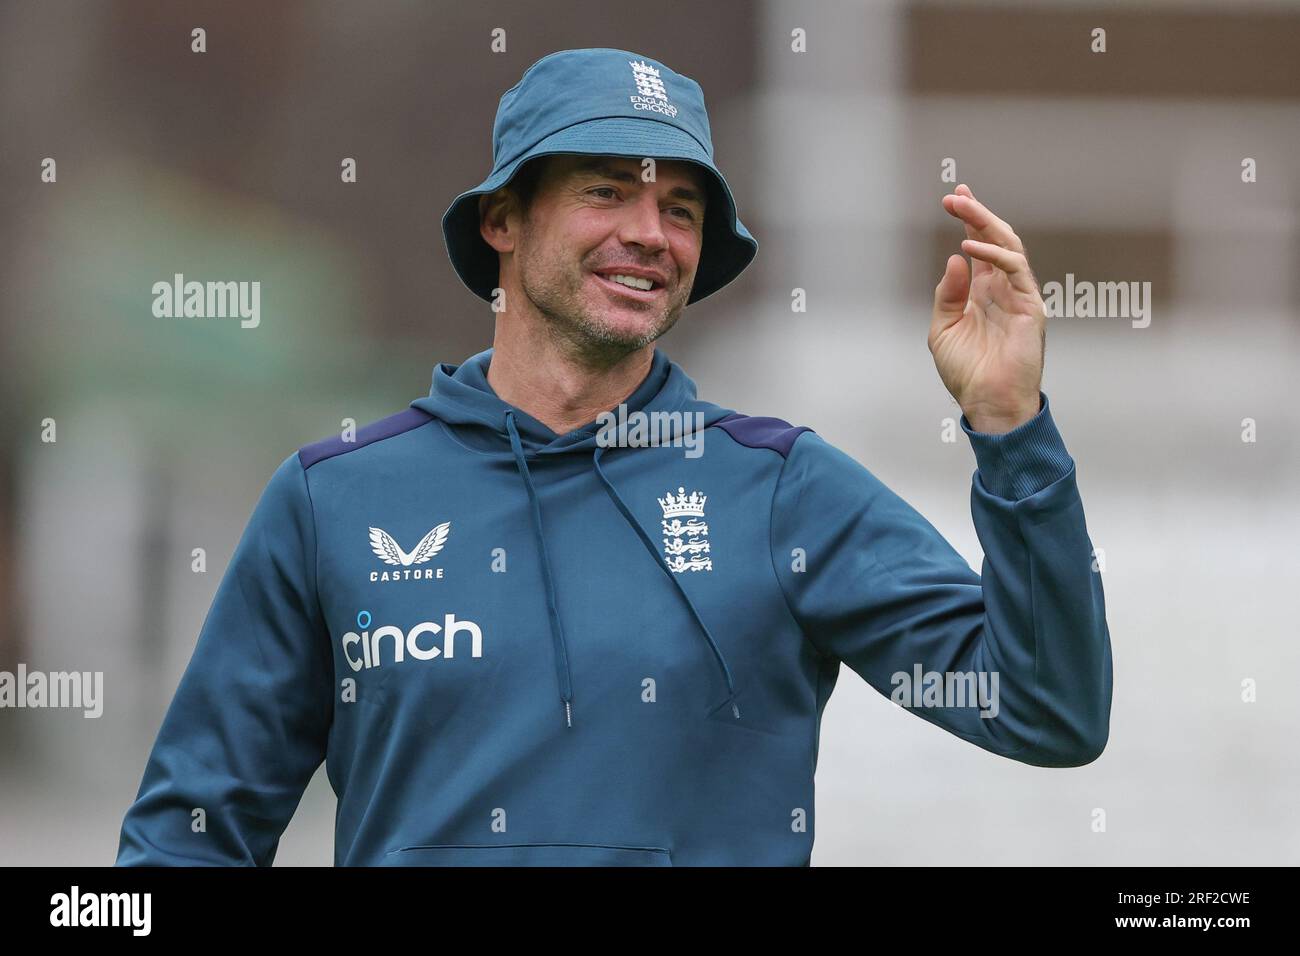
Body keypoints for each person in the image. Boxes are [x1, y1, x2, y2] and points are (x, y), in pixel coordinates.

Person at [116, 48, 1112, 867]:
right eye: (606, 191)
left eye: (681, 208)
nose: (649, 234)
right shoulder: (332, 495)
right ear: (502, 219)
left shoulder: (784, 489)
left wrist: (1009, 426)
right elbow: (188, 836)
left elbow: (1048, 711)